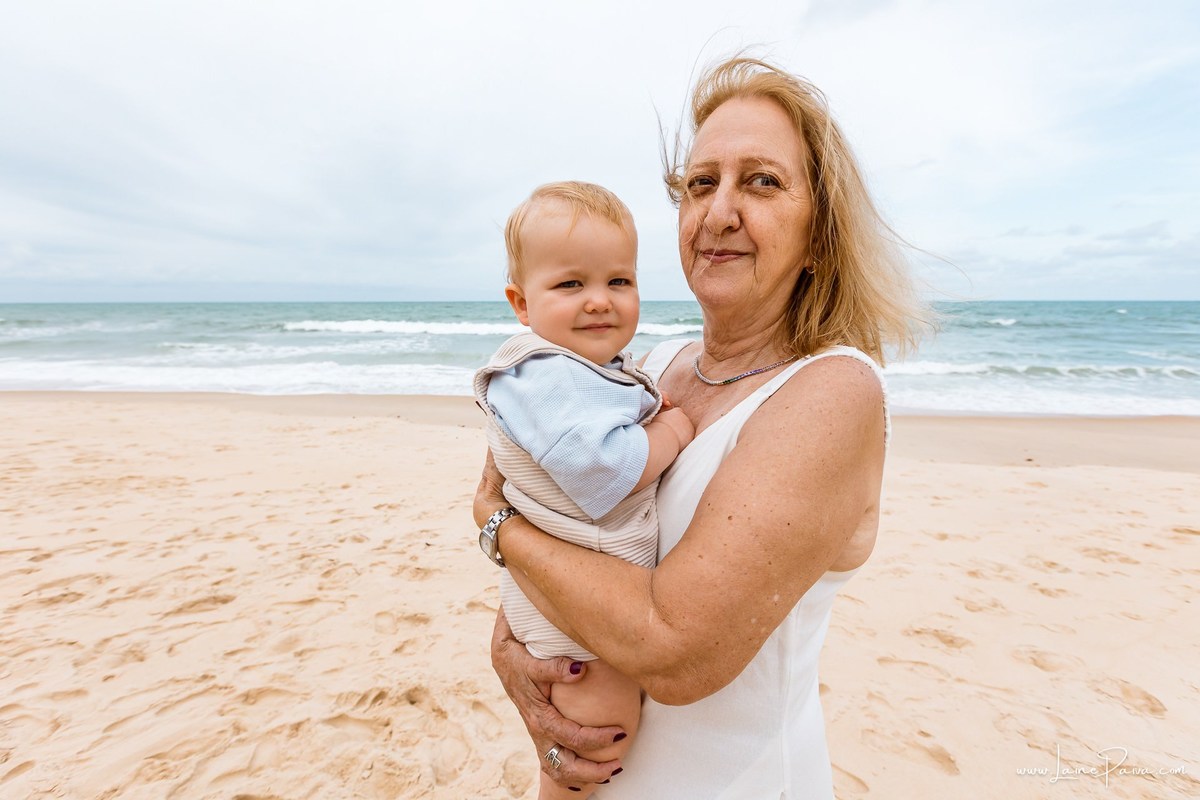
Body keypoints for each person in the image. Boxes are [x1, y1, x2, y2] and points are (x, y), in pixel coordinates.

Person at [474, 56, 923, 797]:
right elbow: (564, 516)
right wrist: (514, 656)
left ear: (819, 235)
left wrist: (493, 525)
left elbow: (673, 649)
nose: (718, 212)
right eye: (700, 183)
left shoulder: (832, 391)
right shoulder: (654, 364)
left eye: (762, 181)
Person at [474, 181, 696, 800]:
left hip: (575, 592)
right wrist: (672, 430)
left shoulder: (585, 369)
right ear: (522, 303)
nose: (599, 302)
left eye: (618, 282)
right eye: (571, 285)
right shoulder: (543, 375)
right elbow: (603, 469)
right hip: (577, 620)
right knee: (592, 745)